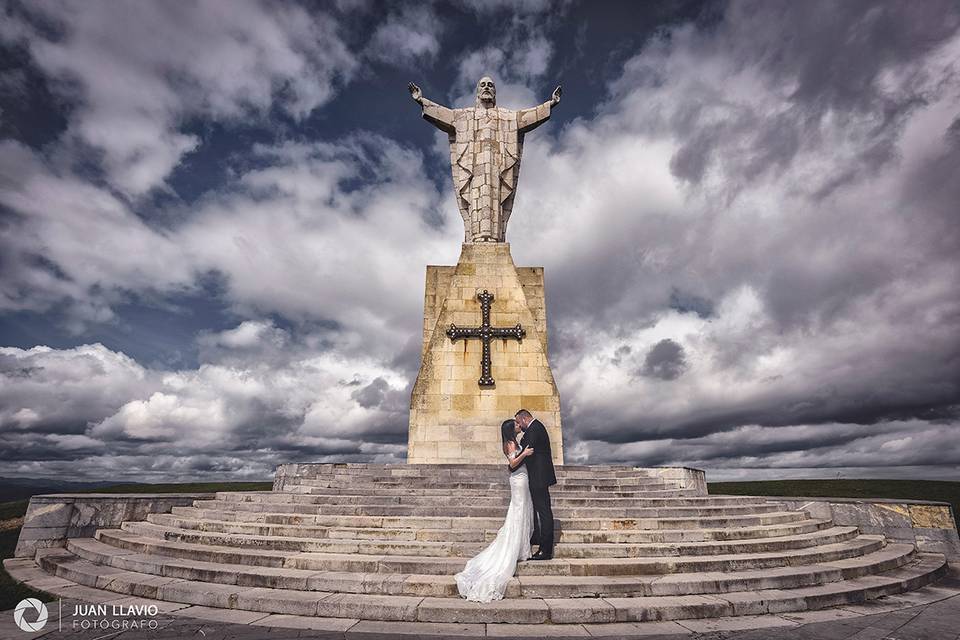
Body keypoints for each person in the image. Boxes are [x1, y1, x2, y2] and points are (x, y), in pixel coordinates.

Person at [454, 419, 535, 602]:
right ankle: (515, 548)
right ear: (510, 429)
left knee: (522, 511)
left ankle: (522, 547)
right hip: (518, 478)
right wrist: (526, 454)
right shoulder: (509, 443)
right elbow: (513, 463)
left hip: (522, 477)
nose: (518, 425)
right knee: (518, 511)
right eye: (515, 424)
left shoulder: (514, 442)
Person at [515, 408, 557, 560]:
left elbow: (528, 449)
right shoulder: (535, 427)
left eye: (519, 422)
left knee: (544, 511)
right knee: (541, 509)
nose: (519, 427)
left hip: (539, 477)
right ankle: (537, 537)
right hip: (538, 476)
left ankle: (545, 550)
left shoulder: (534, 428)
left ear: (525, 419)